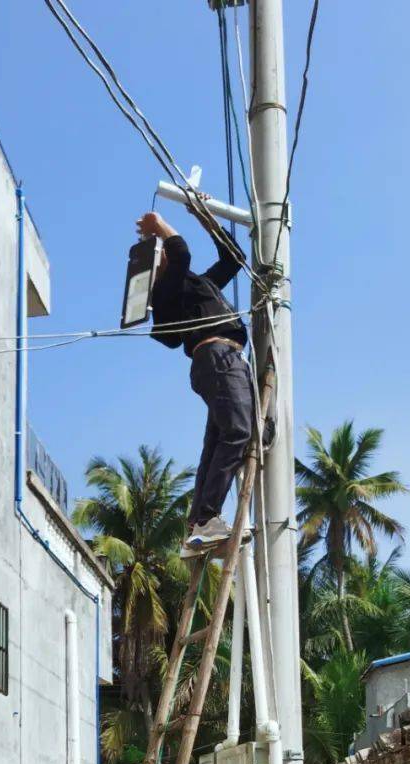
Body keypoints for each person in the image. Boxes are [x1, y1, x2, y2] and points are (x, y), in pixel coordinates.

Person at [137, 205, 256, 557]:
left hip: (218, 363)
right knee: (238, 432)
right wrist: (160, 227)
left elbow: (233, 257)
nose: (162, 254)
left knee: (218, 441)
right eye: (158, 253)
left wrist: (203, 214)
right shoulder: (165, 291)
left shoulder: (195, 287)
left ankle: (197, 528)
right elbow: (181, 251)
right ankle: (207, 518)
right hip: (218, 358)